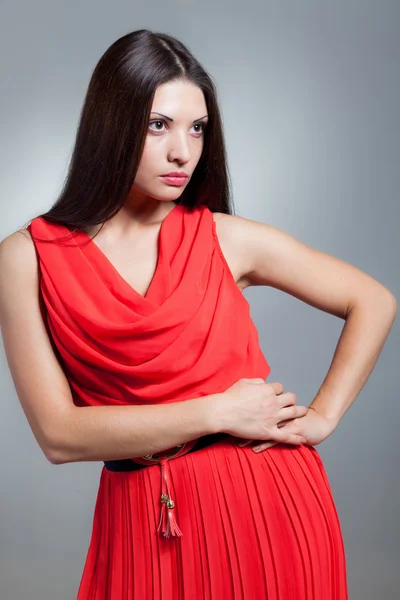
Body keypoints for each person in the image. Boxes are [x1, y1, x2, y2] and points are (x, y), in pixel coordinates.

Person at [0, 29, 397, 600]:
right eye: (159, 124)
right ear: (110, 123)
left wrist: (324, 416)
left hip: (270, 508)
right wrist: (218, 410)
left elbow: (374, 300)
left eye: (197, 128)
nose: (183, 151)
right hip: (140, 515)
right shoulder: (28, 257)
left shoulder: (223, 238)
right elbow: (60, 436)